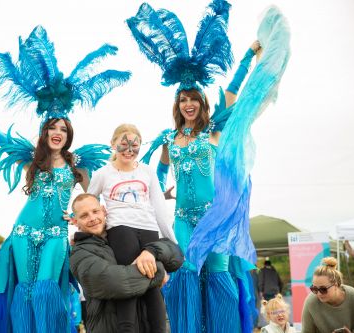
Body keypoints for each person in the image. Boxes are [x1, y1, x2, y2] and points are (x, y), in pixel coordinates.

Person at [127, 3, 291, 332]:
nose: (189, 104)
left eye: (194, 99)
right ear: (178, 105)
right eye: (183, 99)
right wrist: (163, 190)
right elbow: (154, 176)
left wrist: (247, 56)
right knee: (187, 273)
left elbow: (232, 92)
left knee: (217, 276)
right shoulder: (169, 139)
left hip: (216, 218)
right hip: (184, 219)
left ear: (202, 103)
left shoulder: (215, 130)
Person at [0, 24, 130, 333]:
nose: (57, 133)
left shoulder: (78, 165)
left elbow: (94, 196)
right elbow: (0, 138)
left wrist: (85, 214)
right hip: (24, 231)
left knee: (45, 289)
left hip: (56, 233)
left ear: (68, 135)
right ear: (45, 133)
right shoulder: (32, 159)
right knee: (26, 291)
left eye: (63, 129)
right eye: (52, 128)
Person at [87, 123, 176, 333]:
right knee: (128, 288)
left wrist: (171, 243)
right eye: (124, 144)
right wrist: (80, 228)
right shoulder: (102, 173)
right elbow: (89, 203)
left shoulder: (147, 172)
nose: (129, 150)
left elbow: (160, 208)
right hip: (121, 230)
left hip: (149, 232)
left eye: (135, 145)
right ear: (113, 144)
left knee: (153, 289)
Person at [69, 193, 183, 333]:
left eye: (95, 211)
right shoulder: (80, 253)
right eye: (84, 215)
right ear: (75, 221)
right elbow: (116, 282)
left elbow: (176, 254)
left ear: (104, 211)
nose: (92, 218)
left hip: (148, 325)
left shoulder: (126, 233)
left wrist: (151, 251)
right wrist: (158, 270)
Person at [301, 257, 354, 333]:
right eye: (314, 289)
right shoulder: (311, 302)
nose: (318, 294)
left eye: (323, 289)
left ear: (335, 285)